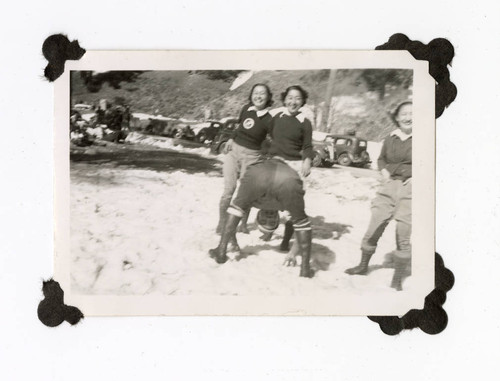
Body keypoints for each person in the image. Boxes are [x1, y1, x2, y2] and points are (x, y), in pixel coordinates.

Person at [345, 101, 413, 291]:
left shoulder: (425, 138)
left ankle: (397, 278)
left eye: (412, 113)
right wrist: (383, 170)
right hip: (389, 187)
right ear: (397, 118)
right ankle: (363, 265)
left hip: (411, 190)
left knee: (403, 234)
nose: (408, 117)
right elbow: (381, 158)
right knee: (374, 227)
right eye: (404, 114)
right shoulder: (390, 138)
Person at [209, 157, 314, 278]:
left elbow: (234, 213)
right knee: (300, 219)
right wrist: (289, 249)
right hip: (286, 177)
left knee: (237, 208)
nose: (268, 216)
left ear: (258, 215)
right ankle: (305, 269)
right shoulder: (285, 206)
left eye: (264, 220)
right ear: (278, 218)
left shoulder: (252, 202)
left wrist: (232, 240)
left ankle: (221, 251)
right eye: (272, 221)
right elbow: (300, 225)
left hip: (262, 173)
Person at [215, 84, 274, 235]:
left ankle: (243, 225)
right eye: (255, 93)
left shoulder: (269, 119)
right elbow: (240, 127)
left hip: (252, 157)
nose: (258, 96)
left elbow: (273, 141)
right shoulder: (246, 108)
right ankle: (222, 224)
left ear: (268, 97)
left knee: (245, 193)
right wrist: (231, 139)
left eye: (262, 94)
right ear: (251, 95)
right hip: (233, 152)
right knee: (228, 190)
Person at [268, 85, 314, 254]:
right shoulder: (276, 117)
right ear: (284, 99)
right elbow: (269, 137)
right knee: (270, 199)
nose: (293, 102)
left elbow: (308, 145)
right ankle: (268, 230)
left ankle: (286, 241)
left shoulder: (305, 122)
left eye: (297, 98)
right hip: (275, 162)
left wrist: (307, 160)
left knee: (291, 205)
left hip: (293, 165)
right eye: (290, 97)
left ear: (302, 102)